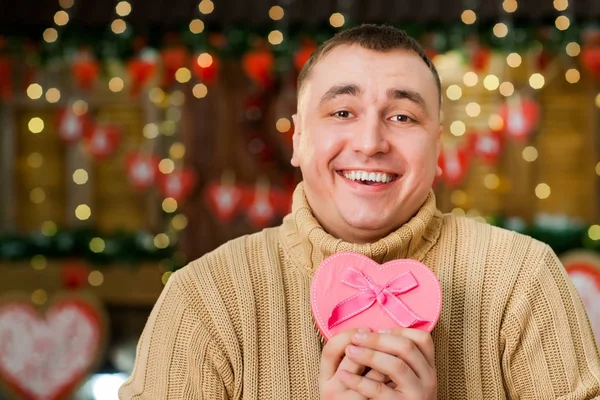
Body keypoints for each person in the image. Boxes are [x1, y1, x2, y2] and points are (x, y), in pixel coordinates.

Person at [119, 24, 600, 399]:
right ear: (299, 140)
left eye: (403, 117)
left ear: (436, 150)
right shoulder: (205, 299)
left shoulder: (523, 278)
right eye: (343, 112)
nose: (371, 143)